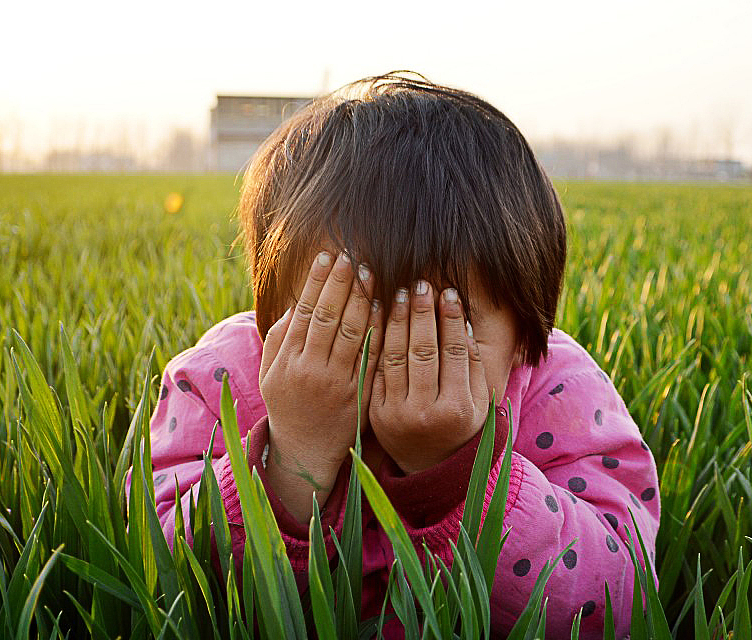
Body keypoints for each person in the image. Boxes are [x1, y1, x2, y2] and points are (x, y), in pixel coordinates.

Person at [129, 72, 659, 638]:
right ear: (273, 311)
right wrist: (292, 460)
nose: (401, 361)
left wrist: (457, 472)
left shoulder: (557, 387)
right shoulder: (220, 379)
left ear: (528, 324)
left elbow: (618, 595)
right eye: (343, 320)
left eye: (441, 323)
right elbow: (168, 577)